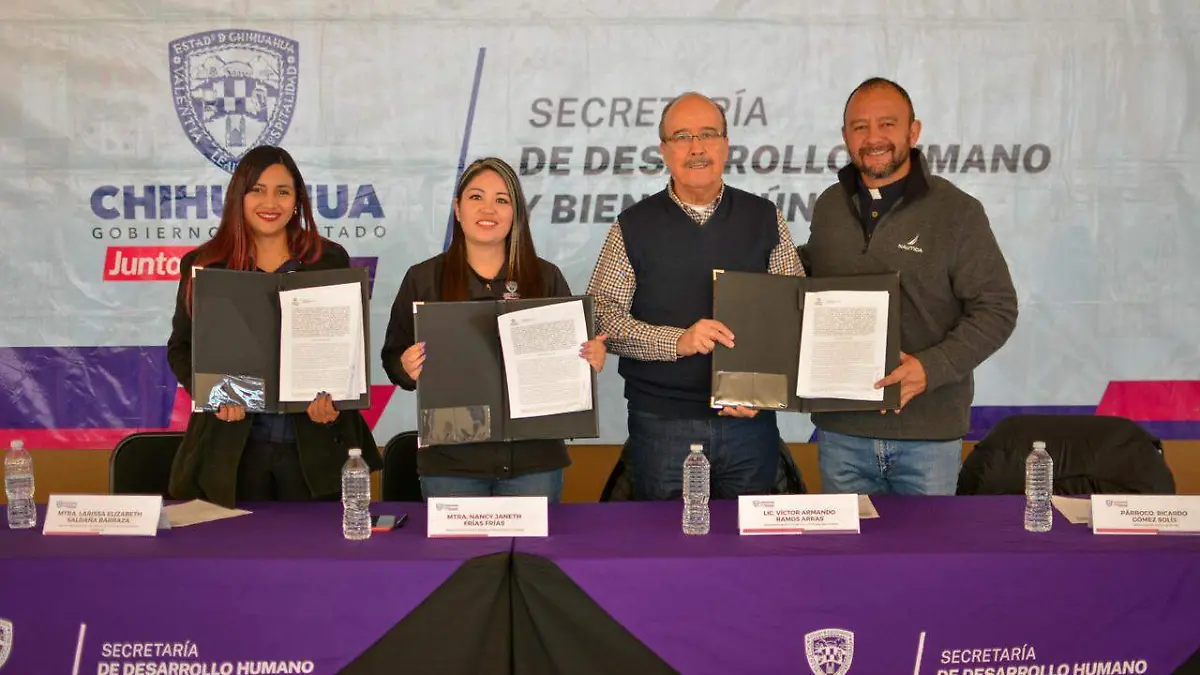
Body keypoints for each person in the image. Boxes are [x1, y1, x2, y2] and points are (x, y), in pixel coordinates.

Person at [802, 77, 1018, 495]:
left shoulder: (957, 212)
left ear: (913, 131)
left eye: (887, 124)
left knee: (927, 543)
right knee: (847, 543)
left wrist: (929, 369)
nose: (873, 138)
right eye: (860, 127)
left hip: (928, 438)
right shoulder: (830, 205)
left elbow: (997, 309)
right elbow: (813, 276)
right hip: (841, 434)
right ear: (845, 136)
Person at [586, 92, 805, 501]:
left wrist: (768, 394)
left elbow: (796, 315)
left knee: (747, 538)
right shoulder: (632, 226)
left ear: (726, 144)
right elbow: (603, 318)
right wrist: (677, 341)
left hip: (749, 424)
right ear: (663, 150)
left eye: (708, 134)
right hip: (661, 425)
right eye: (682, 136)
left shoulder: (765, 218)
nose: (697, 147)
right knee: (666, 539)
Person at [381, 157, 608, 502]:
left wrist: (589, 357)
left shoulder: (545, 278)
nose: (488, 209)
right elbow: (393, 359)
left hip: (534, 460)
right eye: (476, 197)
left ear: (516, 213)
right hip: (451, 463)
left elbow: (571, 358)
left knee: (532, 542)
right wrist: (406, 367)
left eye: (502, 200)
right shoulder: (424, 279)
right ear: (457, 209)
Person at [166, 145, 382, 507]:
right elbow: (181, 348)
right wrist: (215, 395)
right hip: (232, 449)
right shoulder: (206, 264)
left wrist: (336, 401)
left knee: (313, 544)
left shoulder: (328, 259)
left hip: (314, 448)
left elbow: (346, 350)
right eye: (258, 190)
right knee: (239, 543)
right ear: (239, 196)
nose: (271, 203)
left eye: (282, 191)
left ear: (297, 200)